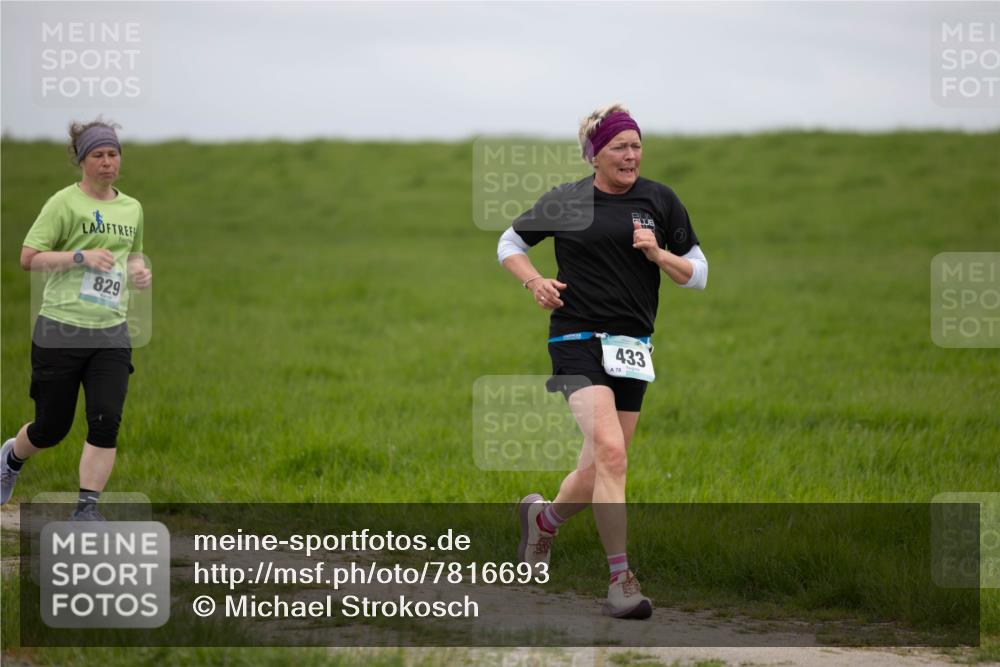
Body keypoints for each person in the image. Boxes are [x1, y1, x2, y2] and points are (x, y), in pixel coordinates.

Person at [498, 103, 708, 619]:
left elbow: (698, 272)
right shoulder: (567, 201)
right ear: (595, 155)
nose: (631, 155)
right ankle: (621, 581)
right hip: (575, 338)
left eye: (637, 145)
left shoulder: (660, 200)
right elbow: (510, 241)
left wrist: (659, 255)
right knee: (613, 453)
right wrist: (534, 281)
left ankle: (543, 522)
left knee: (598, 467)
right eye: (620, 146)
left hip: (632, 347)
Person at [0, 119, 151, 520]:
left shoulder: (131, 207)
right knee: (52, 428)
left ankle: (86, 511)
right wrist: (80, 256)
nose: (107, 162)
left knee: (106, 420)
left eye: (113, 154)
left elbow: (132, 253)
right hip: (60, 329)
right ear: (82, 160)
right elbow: (29, 258)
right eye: (98, 155)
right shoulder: (63, 204)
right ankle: (11, 460)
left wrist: (138, 271)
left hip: (112, 330)